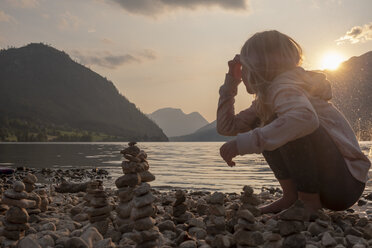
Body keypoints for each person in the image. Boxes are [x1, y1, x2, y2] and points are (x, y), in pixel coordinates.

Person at [217, 30, 371, 214]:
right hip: (335, 183)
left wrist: (243, 144)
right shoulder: (266, 100)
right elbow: (227, 127)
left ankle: (308, 203)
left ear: (260, 67)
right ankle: (292, 197)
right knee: (264, 119)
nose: (242, 73)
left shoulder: (286, 87)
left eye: (245, 68)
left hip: (344, 184)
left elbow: (304, 120)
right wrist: (231, 84)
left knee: (286, 122)